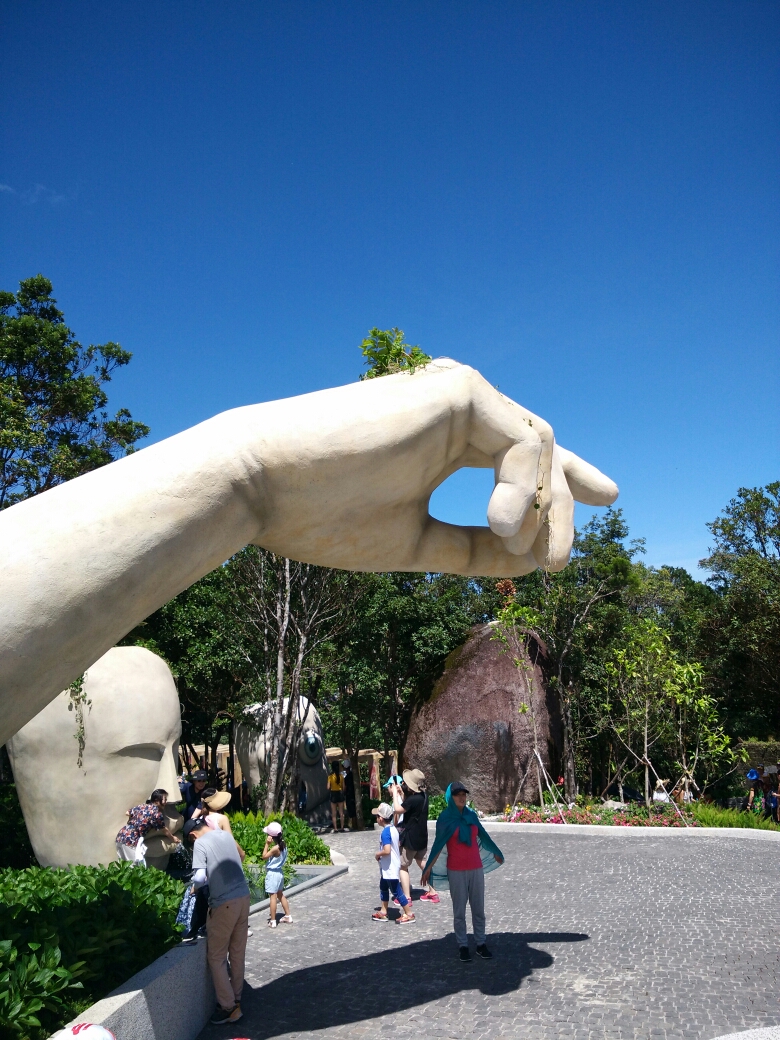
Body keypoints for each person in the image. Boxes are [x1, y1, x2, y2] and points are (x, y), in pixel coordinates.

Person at [422, 781, 504, 962]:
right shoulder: (445, 818)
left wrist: (495, 852)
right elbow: (438, 845)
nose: (461, 797)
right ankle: (463, 946)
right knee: (459, 911)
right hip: (456, 870)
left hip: (476, 868)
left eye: (464, 794)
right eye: (457, 794)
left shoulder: (471, 815)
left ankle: (481, 943)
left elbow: (483, 835)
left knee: (478, 909)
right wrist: (428, 868)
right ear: (450, 797)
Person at [185, 817, 251, 1026]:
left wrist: (194, 888)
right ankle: (237, 999)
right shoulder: (225, 835)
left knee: (216, 957)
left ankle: (228, 1007)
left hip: (224, 903)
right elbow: (240, 857)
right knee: (237, 953)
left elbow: (199, 878)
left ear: (192, 835)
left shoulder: (200, 843)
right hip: (244, 897)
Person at [390, 768, 440, 905]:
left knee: (403, 866)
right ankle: (433, 892)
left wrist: (395, 794)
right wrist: (402, 794)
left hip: (411, 838)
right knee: (422, 862)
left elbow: (397, 809)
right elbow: (411, 808)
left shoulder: (413, 800)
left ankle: (406, 897)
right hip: (422, 836)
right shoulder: (423, 796)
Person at [371, 802, 414, 924]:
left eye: (377, 816)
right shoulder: (393, 829)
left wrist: (378, 854)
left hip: (390, 867)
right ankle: (384, 910)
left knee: (396, 890)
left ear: (380, 818)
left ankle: (409, 913)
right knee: (383, 886)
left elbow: (387, 850)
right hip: (388, 866)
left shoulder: (385, 832)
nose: (376, 818)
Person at [115, 789, 180, 864]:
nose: (166, 802)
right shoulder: (156, 814)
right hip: (131, 839)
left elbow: (127, 813)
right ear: (157, 800)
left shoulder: (142, 806)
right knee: (132, 867)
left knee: (122, 865)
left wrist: (136, 820)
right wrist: (173, 838)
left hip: (121, 835)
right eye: (164, 799)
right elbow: (164, 829)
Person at [262, 821, 293, 927]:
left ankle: (273, 920)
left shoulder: (275, 848)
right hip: (279, 873)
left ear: (271, 836)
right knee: (280, 894)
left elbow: (264, 856)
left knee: (273, 897)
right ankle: (288, 916)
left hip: (273, 873)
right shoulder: (283, 845)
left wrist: (267, 844)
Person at [327, 761, 347, 831]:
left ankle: (335, 828)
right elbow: (344, 787)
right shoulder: (341, 776)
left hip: (333, 794)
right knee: (341, 812)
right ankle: (342, 827)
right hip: (340, 793)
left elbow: (328, 787)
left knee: (334, 813)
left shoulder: (330, 777)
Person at [344, 760, 357, 829]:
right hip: (354, 795)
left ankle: (354, 825)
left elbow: (344, 788)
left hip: (349, 795)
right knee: (354, 810)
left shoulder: (346, 778)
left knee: (351, 811)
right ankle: (354, 824)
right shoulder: (354, 776)